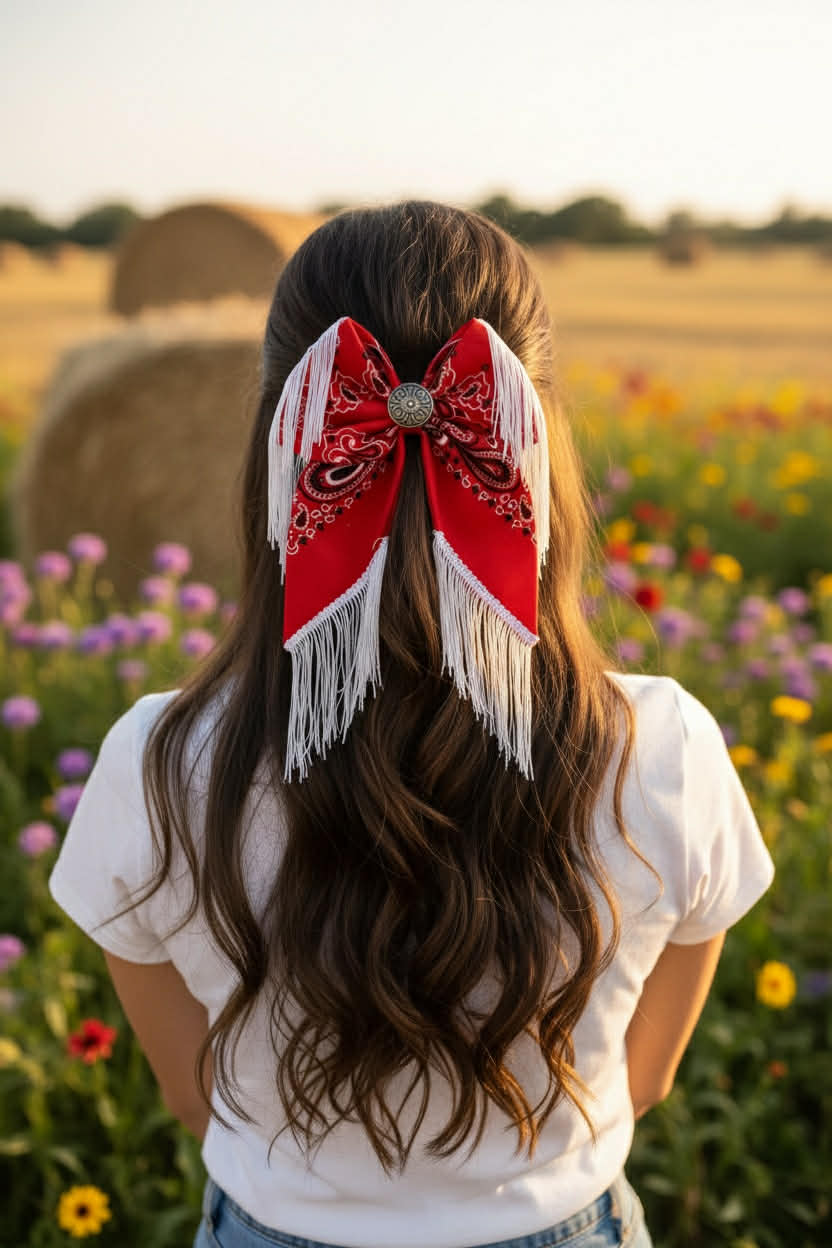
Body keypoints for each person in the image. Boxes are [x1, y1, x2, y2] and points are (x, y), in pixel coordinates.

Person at [48, 200, 775, 1248]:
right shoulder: (664, 746)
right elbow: (646, 1077)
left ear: (278, 442)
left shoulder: (159, 761)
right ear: (536, 443)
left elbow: (192, 1094)